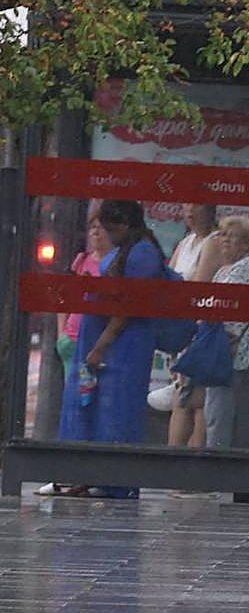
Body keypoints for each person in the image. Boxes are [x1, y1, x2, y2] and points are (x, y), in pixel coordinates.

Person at [57, 200, 168, 499]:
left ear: (125, 224)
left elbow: (129, 308)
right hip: (106, 341)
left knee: (118, 409)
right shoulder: (129, 248)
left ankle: (115, 480)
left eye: (109, 226)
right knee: (97, 408)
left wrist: (100, 347)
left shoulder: (142, 253)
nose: (105, 233)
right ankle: (91, 475)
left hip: (122, 345)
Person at [37, 206, 114, 498]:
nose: (95, 232)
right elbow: (64, 296)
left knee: (91, 407)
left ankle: (87, 475)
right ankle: (65, 474)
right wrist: (61, 334)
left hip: (96, 345)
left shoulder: (115, 264)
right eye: (92, 227)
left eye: (101, 227)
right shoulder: (81, 261)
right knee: (73, 406)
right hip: (72, 342)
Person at [204, 216, 249, 450]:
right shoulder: (224, 270)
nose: (226, 241)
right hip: (221, 352)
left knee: (220, 415)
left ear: (247, 243)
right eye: (223, 235)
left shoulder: (245, 270)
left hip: (231, 355)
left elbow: (232, 319)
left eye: (234, 238)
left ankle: (218, 468)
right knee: (217, 412)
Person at [166, 203, 221, 450]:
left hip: (199, 329)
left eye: (197, 206)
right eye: (186, 205)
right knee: (183, 396)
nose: (189, 211)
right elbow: (168, 279)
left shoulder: (213, 241)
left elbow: (199, 285)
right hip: (180, 325)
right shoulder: (186, 242)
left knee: (193, 400)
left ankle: (186, 463)